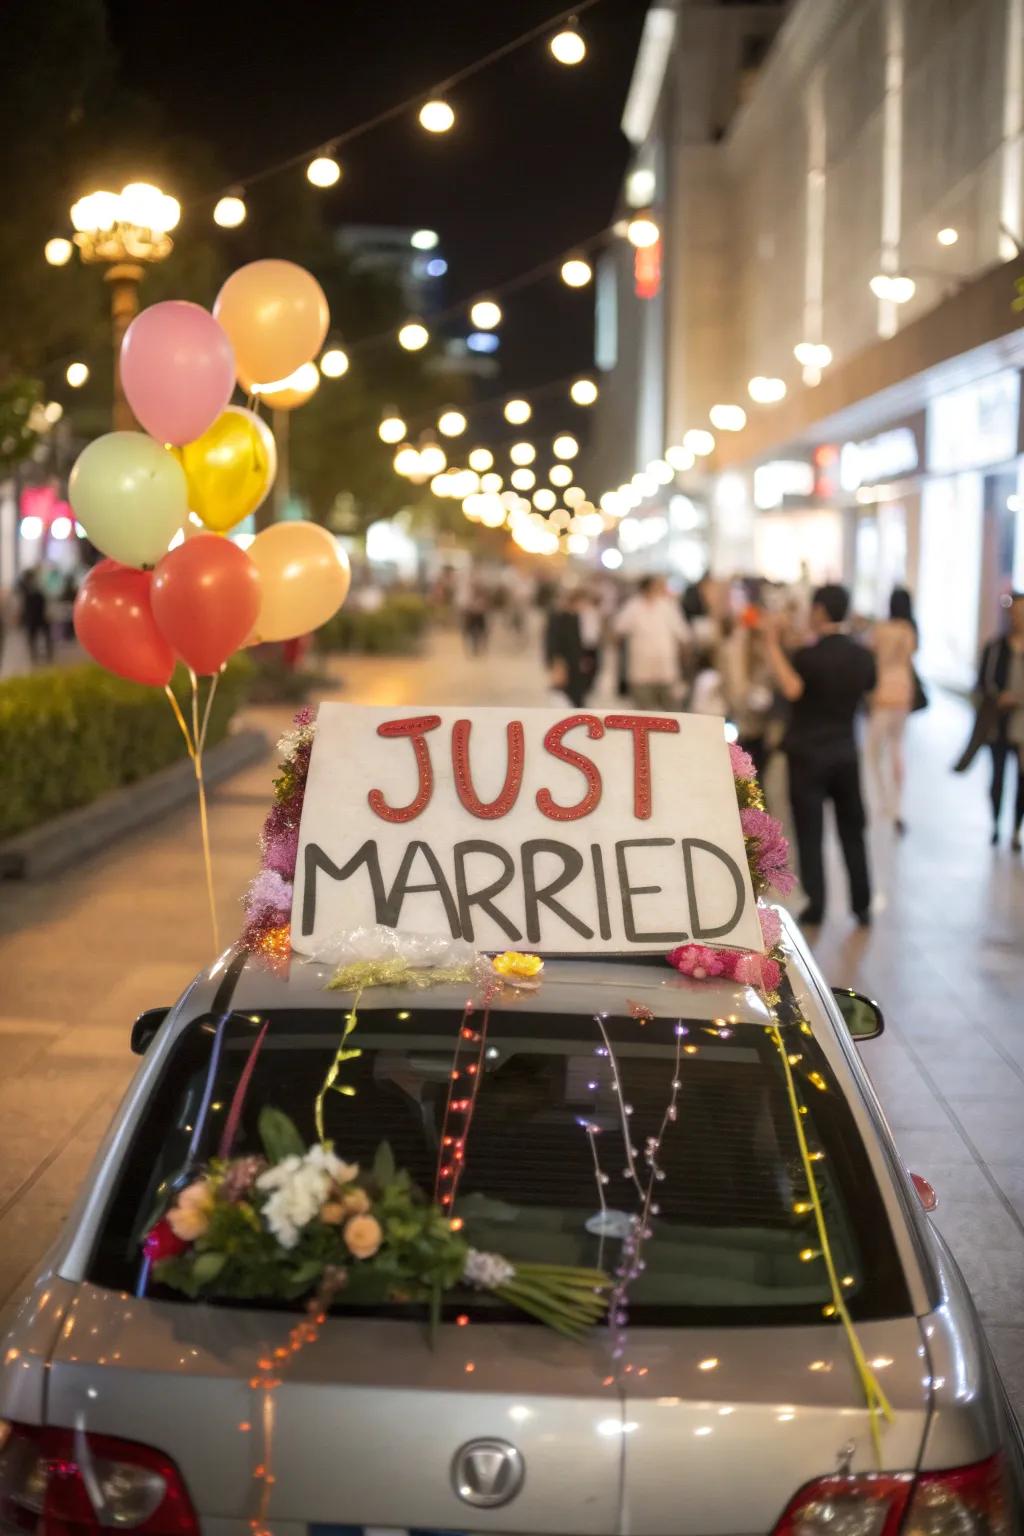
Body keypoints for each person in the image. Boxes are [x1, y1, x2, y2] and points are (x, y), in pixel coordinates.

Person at [762, 583, 876, 927]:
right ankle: (862, 904)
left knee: (810, 833)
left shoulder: (808, 657)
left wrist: (771, 643)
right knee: (852, 829)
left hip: (808, 755)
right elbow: (870, 689)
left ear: (821, 611)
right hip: (845, 752)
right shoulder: (861, 655)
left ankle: (817, 904)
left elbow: (792, 688)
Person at [972, 592, 1024, 850]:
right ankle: (996, 823)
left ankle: (1016, 828)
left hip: (1022, 724)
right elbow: (981, 682)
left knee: (1022, 780)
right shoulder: (995, 648)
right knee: (998, 775)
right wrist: (998, 696)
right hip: (999, 722)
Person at [866, 586, 918, 835]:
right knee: (897, 748)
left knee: (874, 751)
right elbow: (909, 660)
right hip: (903, 692)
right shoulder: (909, 631)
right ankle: (897, 805)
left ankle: (882, 800)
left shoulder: (881, 630)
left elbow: (873, 657)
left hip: (883, 691)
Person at [614, 575, 691, 710]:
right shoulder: (633, 606)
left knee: (671, 710)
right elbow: (618, 630)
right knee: (644, 711)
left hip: (665, 668)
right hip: (641, 670)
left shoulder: (668, 606)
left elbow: (682, 633)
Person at [544, 589, 590, 707]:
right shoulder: (559, 618)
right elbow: (552, 642)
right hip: (563, 662)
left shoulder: (575, 617)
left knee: (576, 694)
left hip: (574, 662)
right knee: (564, 694)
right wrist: (556, 663)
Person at [18, 568, 53, 664]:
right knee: (33, 636)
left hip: (38, 615)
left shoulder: (35, 587)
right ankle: (34, 654)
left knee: (41, 635)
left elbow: (44, 601)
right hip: (33, 616)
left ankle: (45, 653)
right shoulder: (24, 588)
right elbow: (23, 604)